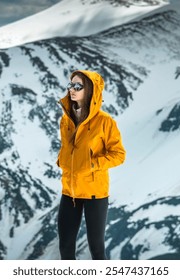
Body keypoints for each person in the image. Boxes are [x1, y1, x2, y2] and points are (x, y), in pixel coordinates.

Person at [56, 70, 126, 260]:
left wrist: (93, 164)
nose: (72, 90)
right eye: (71, 85)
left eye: (78, 86)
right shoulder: (66, 120)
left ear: (90, 90)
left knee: (96, 248)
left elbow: (119, 155)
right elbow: (67, 149)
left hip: (95, 192)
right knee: (65, 246)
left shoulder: (105, 122)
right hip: (69, 191)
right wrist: (62, 160)